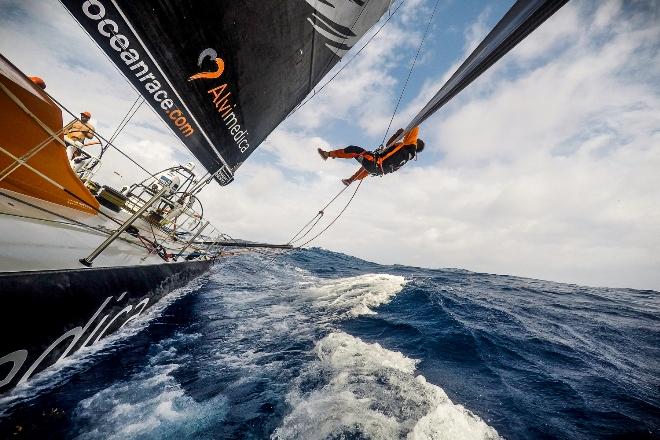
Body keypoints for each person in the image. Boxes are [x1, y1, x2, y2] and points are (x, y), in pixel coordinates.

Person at [317, 126, 424, 185]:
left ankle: (328, 154)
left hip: (376, 163)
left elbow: (415, 127)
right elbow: (388, 145)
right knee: (366, 168)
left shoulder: (410, 146)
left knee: (354, 150)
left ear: (416, 143)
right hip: (377, 169)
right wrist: (396, 135)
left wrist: (405, 132)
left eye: (416, 139)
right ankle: (350, 180)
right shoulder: (405, 151)